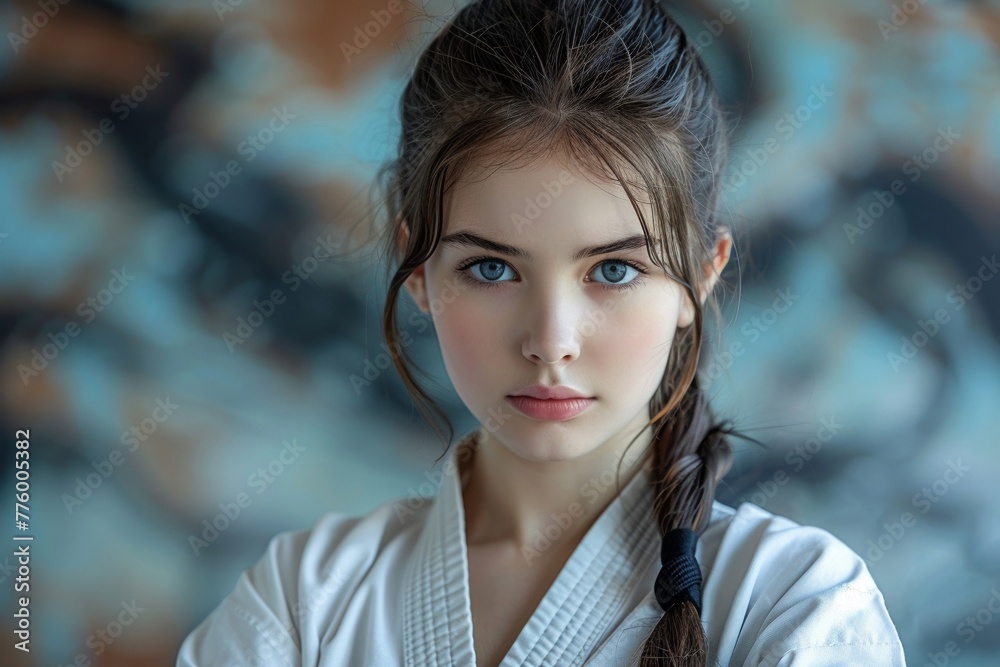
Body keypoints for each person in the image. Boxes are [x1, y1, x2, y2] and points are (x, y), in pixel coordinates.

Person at [176, 0, 906, 664]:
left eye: (614, 271)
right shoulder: (306, 599)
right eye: (492, 268)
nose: (550, 340)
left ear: (701, 276)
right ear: (420, 268)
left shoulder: (796, 604)